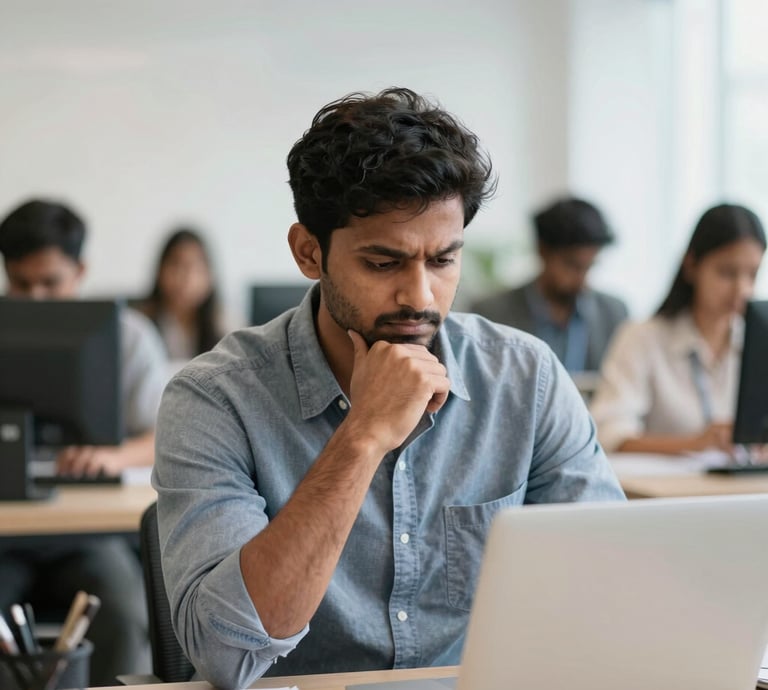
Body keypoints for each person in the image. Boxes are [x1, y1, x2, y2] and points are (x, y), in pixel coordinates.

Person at [154, 87, 625, 690]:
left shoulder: (524, 378)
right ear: (308, 252)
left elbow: (610, 593)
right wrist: (361, 437)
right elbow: (225, 655)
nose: (421, 297)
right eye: (383, 263)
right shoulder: (214, 399)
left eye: (443, 261)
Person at [0, 198, 167, 684]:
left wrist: (111, 456)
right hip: (6, 534)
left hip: (87, 532)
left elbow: (165, 435)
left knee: (125, 613)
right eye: (21, 284)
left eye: (50, 283)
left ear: (80, 271)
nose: (35, 299)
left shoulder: (130, 335)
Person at [590, 203, 766, 455]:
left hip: (742, 492)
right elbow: (607, 434)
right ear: (692, 265)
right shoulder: (642, 338)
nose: (742, 289)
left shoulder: (758, 343)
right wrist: (697, 443)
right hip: (668, 492)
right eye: (727, 273)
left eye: (752, 274)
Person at [471, 196, 628, 373]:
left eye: (589, 266)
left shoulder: (613, 313)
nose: (582, 280)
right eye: (572, 265)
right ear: (542, 251)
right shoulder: (490, 314)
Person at [136, 228, 226, 362]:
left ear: (209, 275)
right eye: (176, 265)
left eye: (193, 266)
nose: (185, 278)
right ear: (160, 271)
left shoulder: (225, 325)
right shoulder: (140, 325)